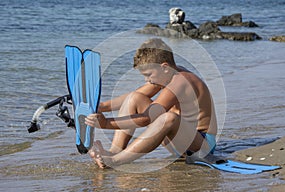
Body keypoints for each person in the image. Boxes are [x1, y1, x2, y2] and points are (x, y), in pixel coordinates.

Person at [85, 38, 217, 169]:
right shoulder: (166, 75)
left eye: (148, 75)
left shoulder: (180, 82)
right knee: (133, 98)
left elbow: (147, 118)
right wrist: (100, 107)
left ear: (164, 67)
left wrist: (105, 123)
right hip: (177, 141)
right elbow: (132, 96)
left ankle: (115, 160)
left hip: (200, 145)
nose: (146, 80)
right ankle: (114, 151)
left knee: (168, 118)